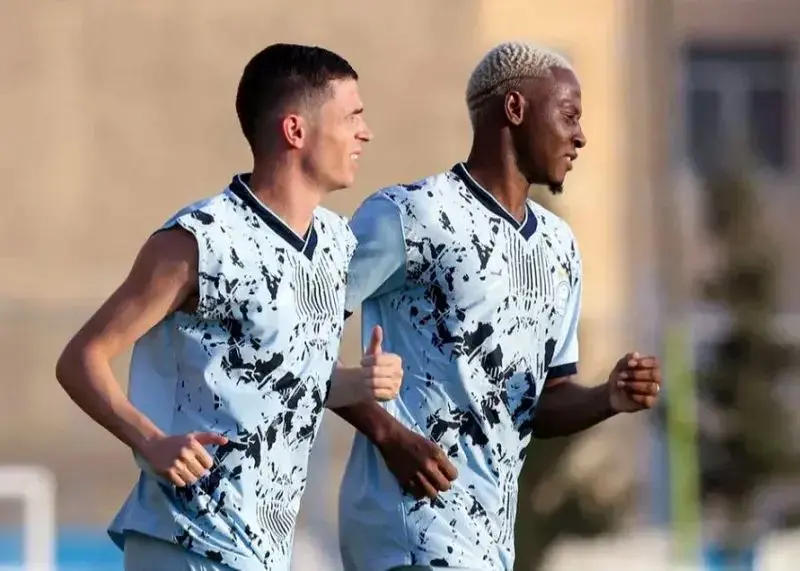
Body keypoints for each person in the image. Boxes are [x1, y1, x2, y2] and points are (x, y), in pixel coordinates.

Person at [55, 43, 403, 571]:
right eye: (351, 116)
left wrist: (360, 383)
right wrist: (151, 442)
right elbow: (81, 359)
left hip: (266, 552)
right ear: (295, 130)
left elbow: (277, 377)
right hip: (186, 542)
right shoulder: (199, 240)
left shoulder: (336, 243)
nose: (365, 132)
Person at [333, 41, 662, 571]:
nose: (580, 135)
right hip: (405, 530)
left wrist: (608, 397)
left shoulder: (558, 247)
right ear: (515, 108)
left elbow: (544, 402)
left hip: (487, 542)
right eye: (569, 115)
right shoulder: (411, 215)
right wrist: (387, 433)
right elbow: (294, 334)